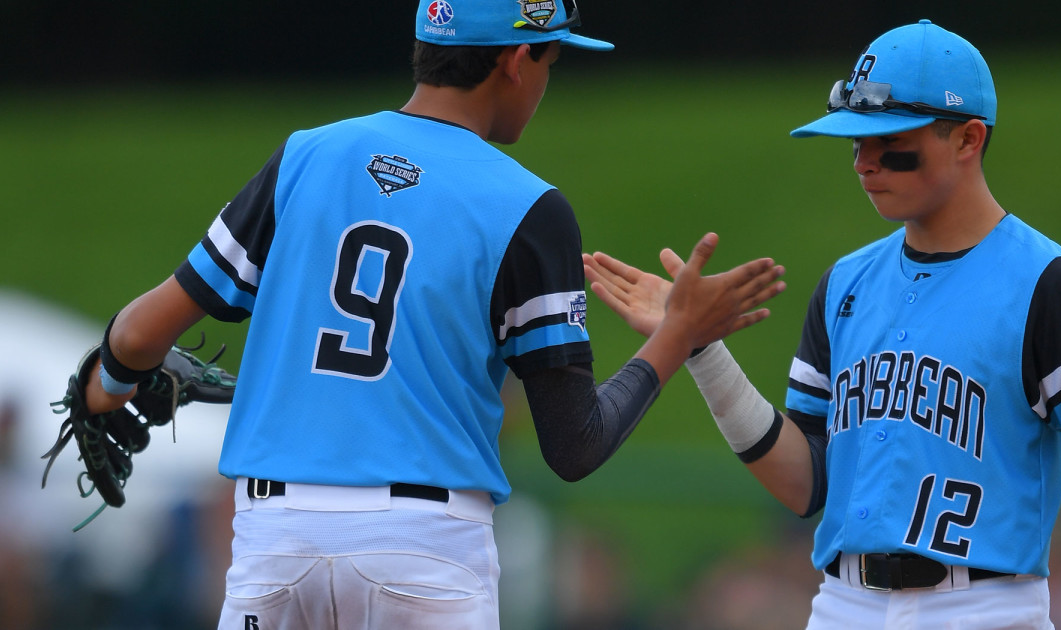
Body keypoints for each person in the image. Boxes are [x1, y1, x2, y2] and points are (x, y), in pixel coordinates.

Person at [77, 1, 787, 628]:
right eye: (551, 60)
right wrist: (678, 335)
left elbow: (141, 333)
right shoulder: (528, 207)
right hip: (422, 551)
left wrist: (106, 385)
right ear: (515, 60)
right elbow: (575, 446)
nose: (546, 82)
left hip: (278, 537)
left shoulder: (306, 156)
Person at [583, 19, 1061, 629]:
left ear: (968, 139)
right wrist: (699, 347)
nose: (864, 162)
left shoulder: (1049, 282)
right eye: (855, 141)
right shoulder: (844, 284)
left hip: (984, 607)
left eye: (888, 140)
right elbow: (806, 484)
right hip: (843, 605)